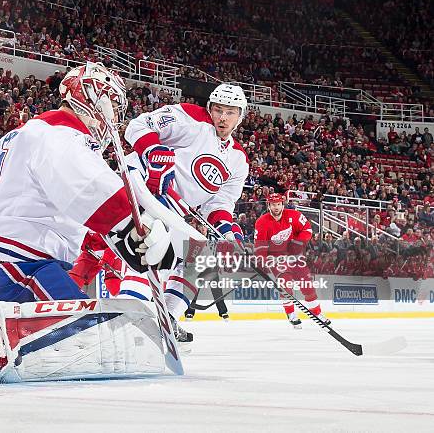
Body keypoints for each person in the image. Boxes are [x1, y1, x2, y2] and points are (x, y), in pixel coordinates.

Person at [0, 62, 179, 382]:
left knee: (57, 308)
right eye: (112, 107)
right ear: (93, 99)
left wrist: (114, 238)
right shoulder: (59, 133)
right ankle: (3, 352)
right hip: (6, 267)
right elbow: (91, 190)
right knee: (84, 332)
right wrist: (133, 227)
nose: (113, 119)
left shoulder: (31, 133)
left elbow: (62, 209)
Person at [117, 84, 250, 335]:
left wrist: (228, 232)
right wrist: (155, 150)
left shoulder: (238, 160)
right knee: (152, 244)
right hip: (143, 186)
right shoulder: (190, 117)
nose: (222, 117)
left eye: (230, 112)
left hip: (172, 209)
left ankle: (166, 319)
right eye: (218, 110)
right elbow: (137, 126)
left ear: (240, 116)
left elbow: (220, 204)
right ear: (209, 108)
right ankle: (130, 314)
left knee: (198, 257)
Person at [254, 193, 330, 329]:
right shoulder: (262, 222)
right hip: (276, 258)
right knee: (285, 284)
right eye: (273, 204)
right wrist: (262, 261)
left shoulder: (294, 215)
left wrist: (297, 243)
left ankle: (317, 313)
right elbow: (260, 246)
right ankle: (291, 314)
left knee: (307, 285)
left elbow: (307, 229)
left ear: (282, 204)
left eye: (278, 204)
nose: (276, 207)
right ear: (268, 205)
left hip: (295, 257)